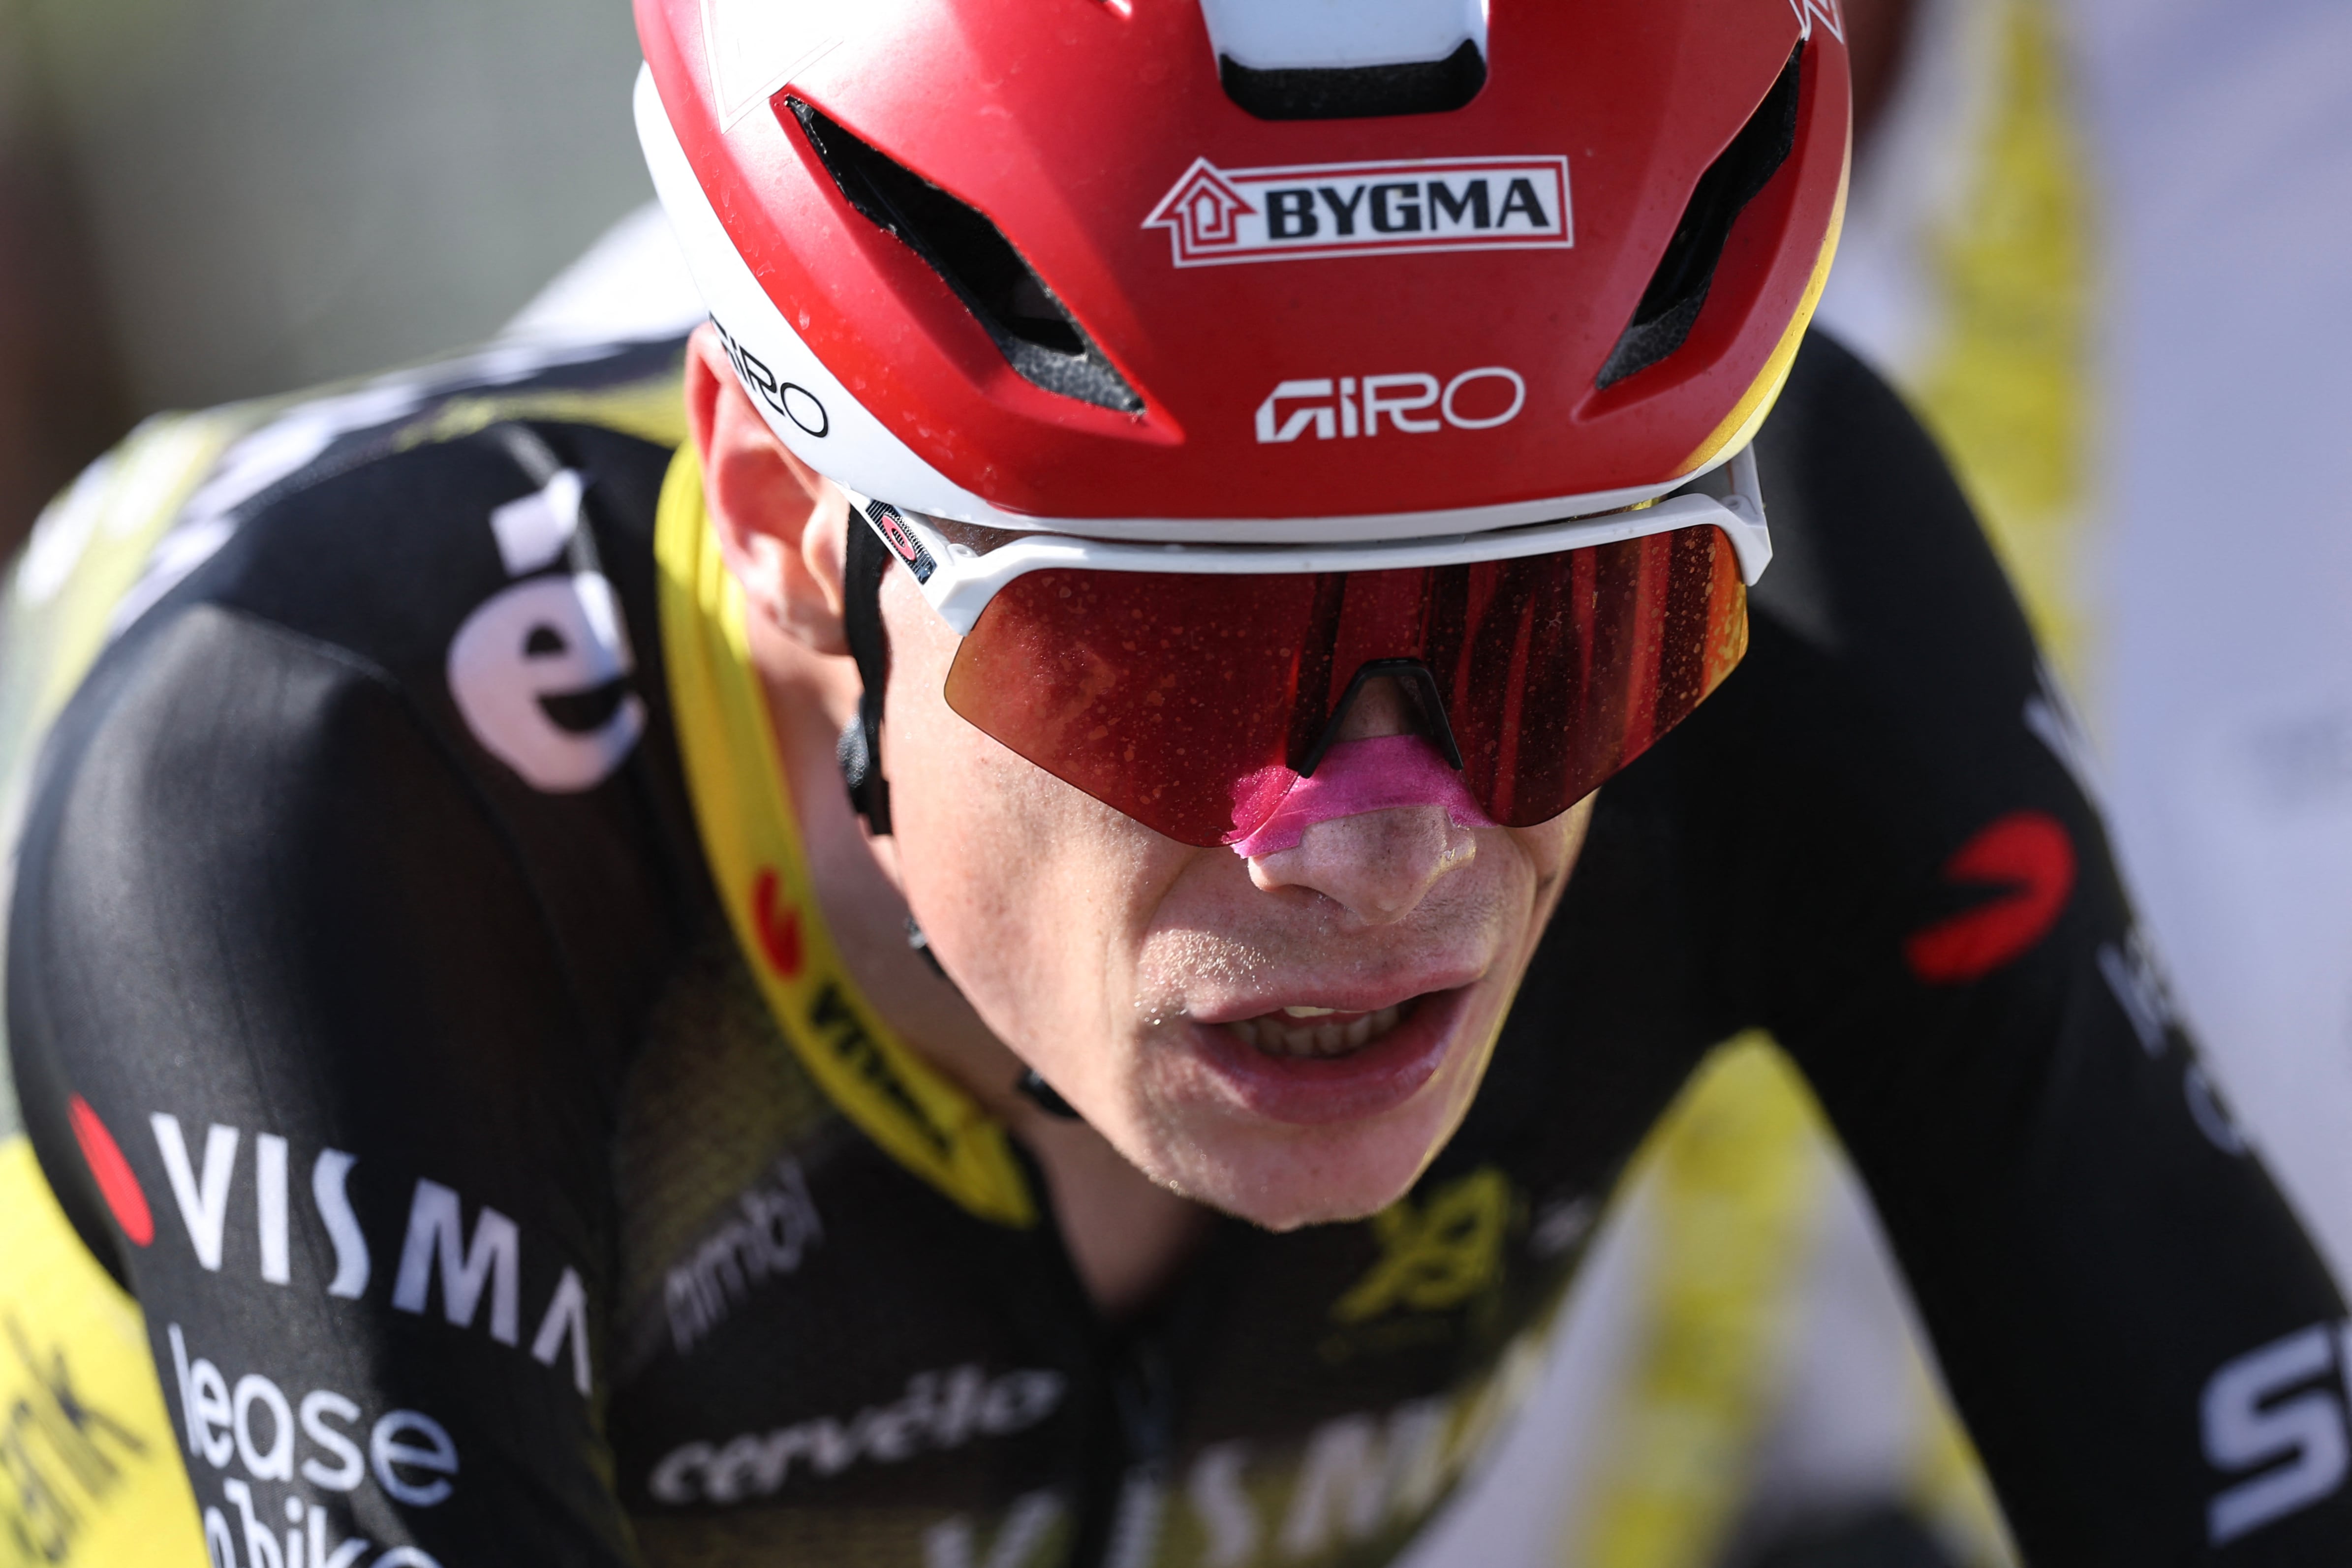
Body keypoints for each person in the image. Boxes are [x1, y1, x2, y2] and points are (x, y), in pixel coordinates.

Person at [1, 2, 2346, 1566]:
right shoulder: (343, 800)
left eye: (1561, 632)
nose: (1381, 834)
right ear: (792, 543)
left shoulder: (1803, 596)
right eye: (1176, 645)